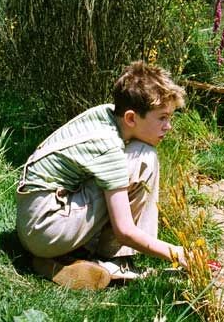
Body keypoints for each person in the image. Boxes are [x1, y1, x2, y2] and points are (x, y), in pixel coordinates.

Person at [16, 61, 187, 289]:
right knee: (144, 156)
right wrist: (177, 253)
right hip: (46, 229)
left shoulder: (107, 114)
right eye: (162, 118)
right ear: (131, 118)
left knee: (135, 157)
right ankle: (110, 261)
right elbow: (124, 230)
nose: (168, 126)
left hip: (35, 220)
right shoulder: (109, 147)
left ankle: (68, 258)